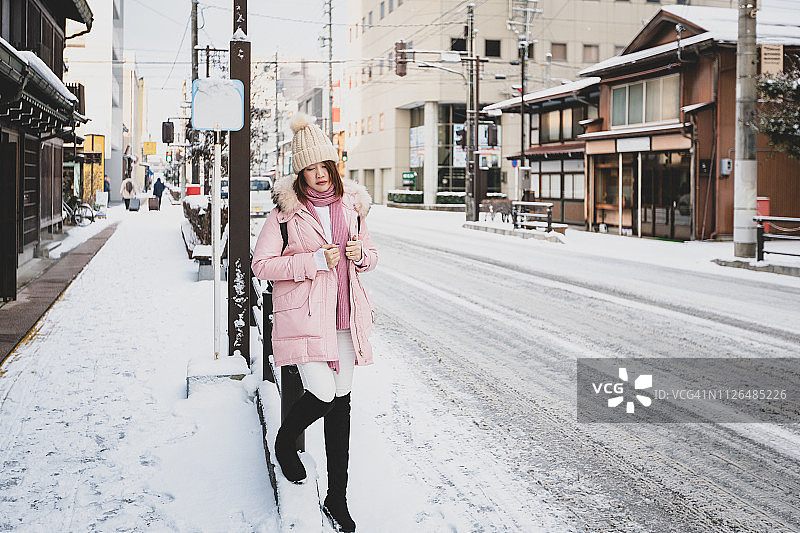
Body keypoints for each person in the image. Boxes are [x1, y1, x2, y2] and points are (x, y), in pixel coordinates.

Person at [252, 113, 377, 533]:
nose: (320, 175)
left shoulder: (352, 206)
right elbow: (261, 265)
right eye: (311, 168)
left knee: (341, 402)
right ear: (300, 172)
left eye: (325, 166)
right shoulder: (285, 214)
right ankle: (285, 441)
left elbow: (372, 256)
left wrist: (361, 256)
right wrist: (312, 261)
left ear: (334, 166)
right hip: (305, 320)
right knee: (322, 393)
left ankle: (337, 497)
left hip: (344, 319)